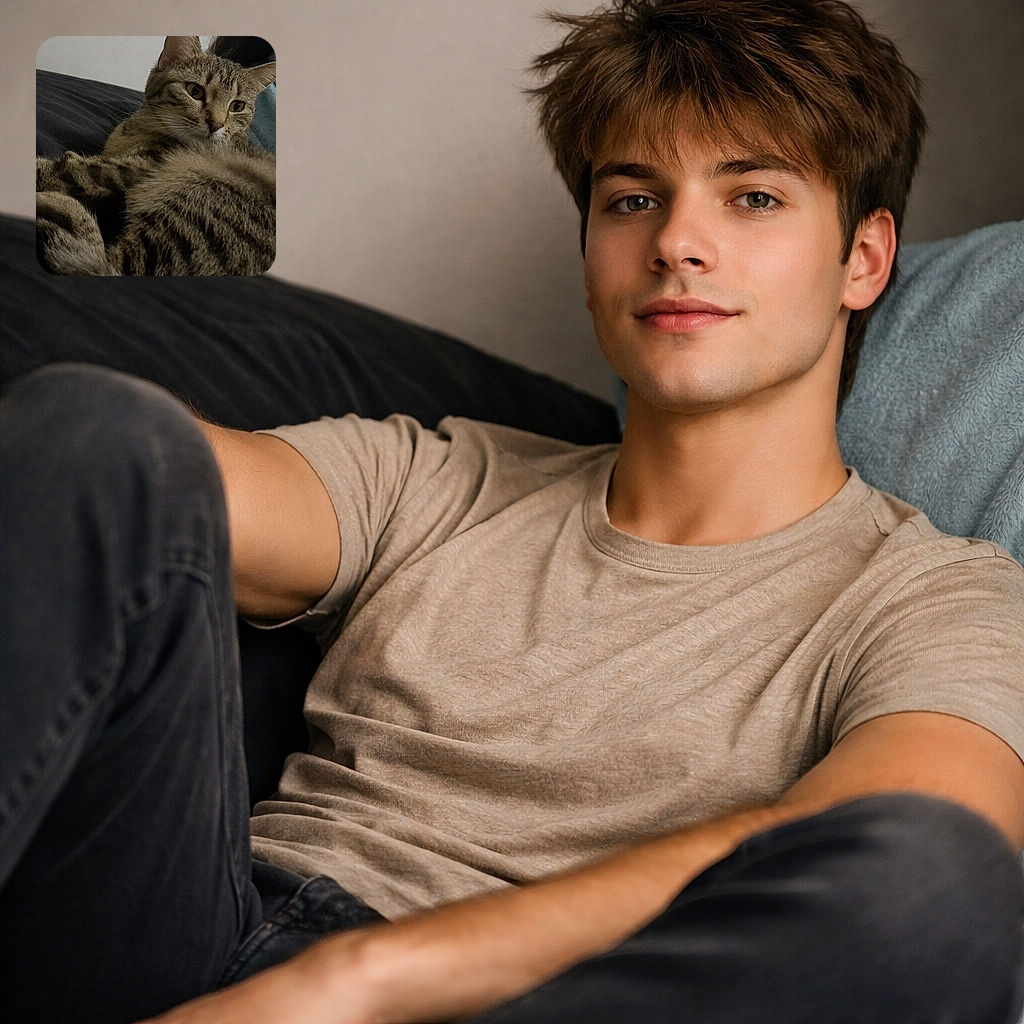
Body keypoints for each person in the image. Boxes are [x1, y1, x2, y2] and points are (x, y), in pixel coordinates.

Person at [3, 1, 1023, 1021]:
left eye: (751, 197)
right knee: (96, 424)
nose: (676, 242)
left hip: (528, 1001)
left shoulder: (936, 594)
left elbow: (915, 834)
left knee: (936, 876)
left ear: (864, 259)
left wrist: (350, 983)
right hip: (187, 944)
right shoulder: (441, 477)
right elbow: (130, 478)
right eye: (631, 201)